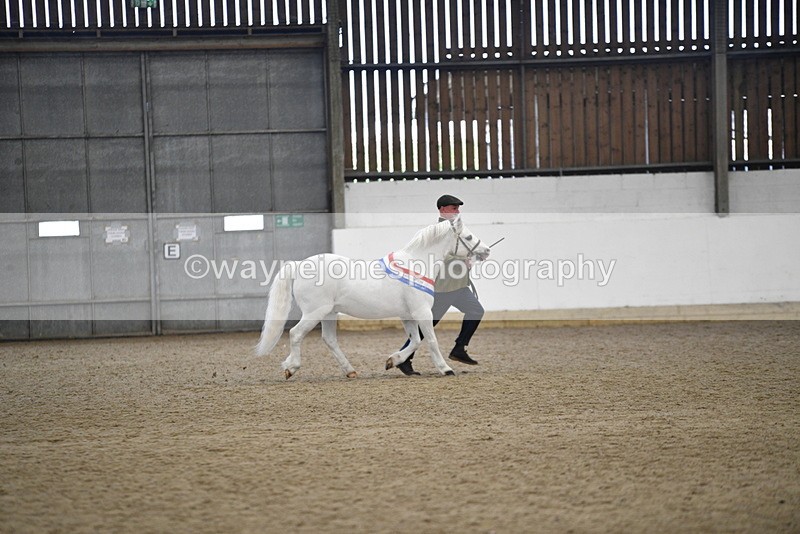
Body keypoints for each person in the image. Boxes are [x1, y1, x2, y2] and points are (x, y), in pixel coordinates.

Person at [397, 194, 485, 376]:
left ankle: (460, 348)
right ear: (443, 210)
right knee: (427, 326)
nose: (457, 211)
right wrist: (461, 258)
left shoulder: (456, 230)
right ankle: (404, 358)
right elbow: (436, 255)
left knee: (476, 310)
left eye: (458, 208)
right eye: (454, 208)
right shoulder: (438, 231)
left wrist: (470, 256)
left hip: (458, 285)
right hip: (442, 287)